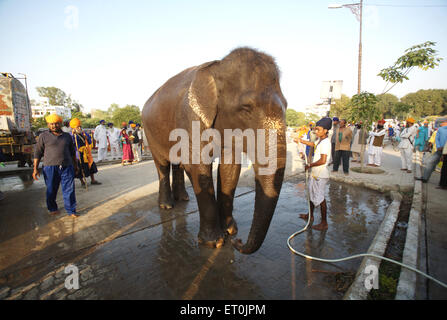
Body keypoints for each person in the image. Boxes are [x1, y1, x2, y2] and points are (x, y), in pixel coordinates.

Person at [32, 113, 79, 217]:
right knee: (51, 189)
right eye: (51, 124)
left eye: (56, 124)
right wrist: (35, 169)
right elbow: (37, 153)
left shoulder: (67, 136)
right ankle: (52, 207)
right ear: (48, 125)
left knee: (69, 189)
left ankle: (71, 210)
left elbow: (72, 152)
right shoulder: (43, 136)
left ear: (60, 124)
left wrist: (75, 166)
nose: (53, 126)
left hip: (67, 166)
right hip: (50, 167)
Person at [298, 117, 332, 231]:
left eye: (318, 129)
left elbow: (323, 160)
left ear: (326, 130)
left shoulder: (326, 143)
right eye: (315, 129)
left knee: (320, 198)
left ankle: (324, 223)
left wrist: (310, 165)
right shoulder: (320, 140)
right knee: (312, 194)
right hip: (316, 173)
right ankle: (310, 215)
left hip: (320, 174)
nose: (316, 132)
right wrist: (301, 141)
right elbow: (313, 144)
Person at [70, 118, 101, 187]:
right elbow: (71, 144)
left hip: (86, 152)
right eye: (77, 127)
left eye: (80, 126)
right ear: (74, 128)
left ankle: (93, 180)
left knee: (91, 165)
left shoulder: (84, 133)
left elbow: (89, 141)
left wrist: (86, 137)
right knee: (80, 167)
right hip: (78, 154)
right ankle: (82, 182)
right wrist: (73, 136)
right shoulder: (71, 135)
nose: (79, 128)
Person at [416, 119, 447, 183]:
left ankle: (443, 183)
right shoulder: (440, 130)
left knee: (444, 168)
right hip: (440, 150)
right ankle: (425, 178)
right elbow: (437, 138)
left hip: (445, 150)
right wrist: (438, 147)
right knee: (430, 162)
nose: (440, 125)